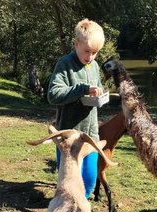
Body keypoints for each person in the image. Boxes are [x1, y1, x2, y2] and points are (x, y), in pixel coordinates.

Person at [47, 18, 105, 199]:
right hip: (68, 137)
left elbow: (95, 87)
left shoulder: (94, 66)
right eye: (87, 51)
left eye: (95, 52)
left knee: (89, 179)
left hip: (90, 136)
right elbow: (53, 94)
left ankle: (80, 208)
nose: (91, 56)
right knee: (69, 183)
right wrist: (82, 89)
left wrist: (99, 95)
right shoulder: (65, 64)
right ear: (76, 44)